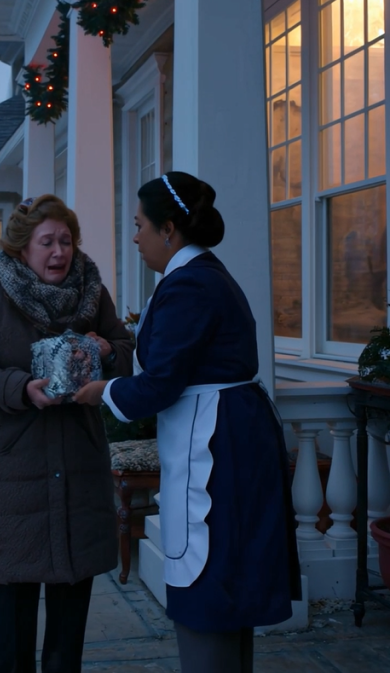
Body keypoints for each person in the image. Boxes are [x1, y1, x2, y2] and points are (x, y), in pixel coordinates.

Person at [74, 172, 300, 673]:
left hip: (218, 442)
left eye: (139, 226)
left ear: (169, 229)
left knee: (211, 572)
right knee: (229, 571)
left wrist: (99, 391)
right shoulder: (204, 275)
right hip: (232, 431)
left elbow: (160, 384)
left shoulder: (189, 285)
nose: (134, 237)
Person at [0, 194, 134, 673]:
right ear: (22, 249)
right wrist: (21, 389)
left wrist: (107, 350)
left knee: (69, 624)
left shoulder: (92, 293)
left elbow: (125, 347)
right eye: (47, 242)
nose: (59, 252)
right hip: (13, 471)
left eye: (66, 241)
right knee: (11, 628)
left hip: (77, 462)